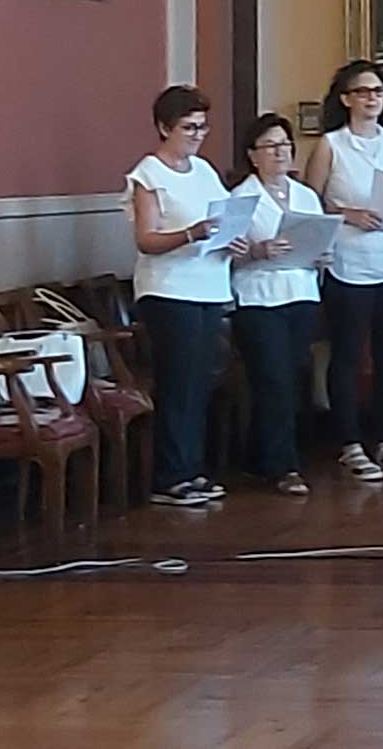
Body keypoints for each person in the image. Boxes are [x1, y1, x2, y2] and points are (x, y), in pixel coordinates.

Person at [124, 86, 246, 507]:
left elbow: (224, 217)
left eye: (202, 127)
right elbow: (147, 239)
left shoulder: (204, 170)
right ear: (163, 127)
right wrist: (191, 233)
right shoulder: (149, 175)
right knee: (177, 383)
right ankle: (169, 476)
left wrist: (233, 241)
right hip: (169, 290)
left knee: (200, 383)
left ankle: (192, 469)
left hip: (208, 285)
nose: (197, 134)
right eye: (188, 127)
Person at [301, 60, 383, 483]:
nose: (372, 99)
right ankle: (349, 441)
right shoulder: (332, 145)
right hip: (350, 260)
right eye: (364, 92)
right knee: (348, 354)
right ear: (346, 99)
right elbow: (309, 201)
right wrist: (348, 213)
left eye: (379, 92)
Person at [228, 114, 324, 497]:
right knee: (273, 379)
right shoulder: (241, 199)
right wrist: (258, 250)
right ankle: (282, 466)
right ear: (253, 155)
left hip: (301, 293)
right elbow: (226, 253)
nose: (280, 152)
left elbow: (317, 237)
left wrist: (321, 254)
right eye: (271, 146)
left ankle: (261, 457)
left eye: (285, 144)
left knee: (294, 376)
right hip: (258, 297)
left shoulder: (306, 196)